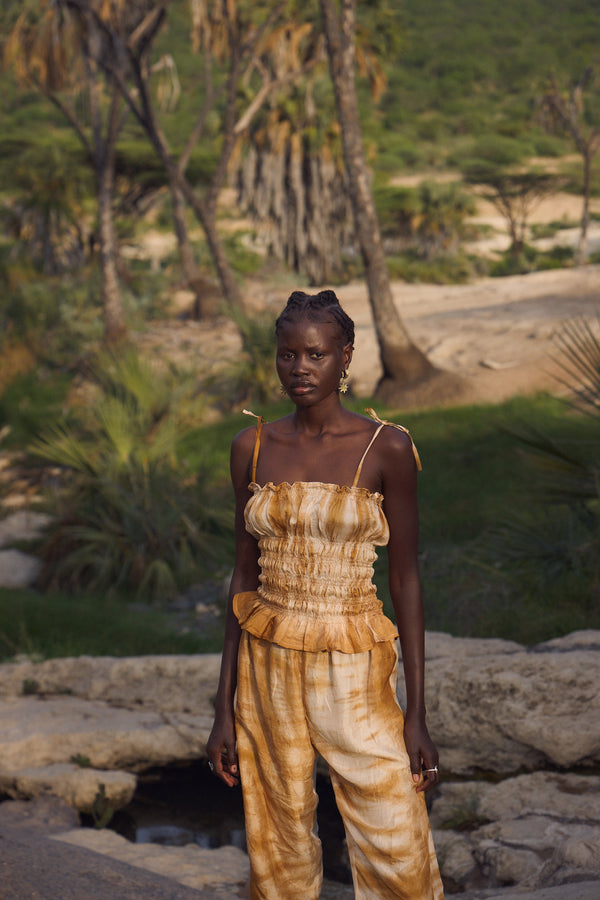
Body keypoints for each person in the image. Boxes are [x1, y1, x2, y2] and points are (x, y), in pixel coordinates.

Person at [207, 289, 443, 900]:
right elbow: (243, 576)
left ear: (345, 357)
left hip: (354, 658)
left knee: (392, 825)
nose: (299, 369)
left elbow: (407, 579)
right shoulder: (252, 446)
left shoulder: (385, 446)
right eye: (287, 356)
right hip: (267, 661)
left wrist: (416, 713)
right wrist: (222, 707)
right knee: (276, 834)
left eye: (315, 355)